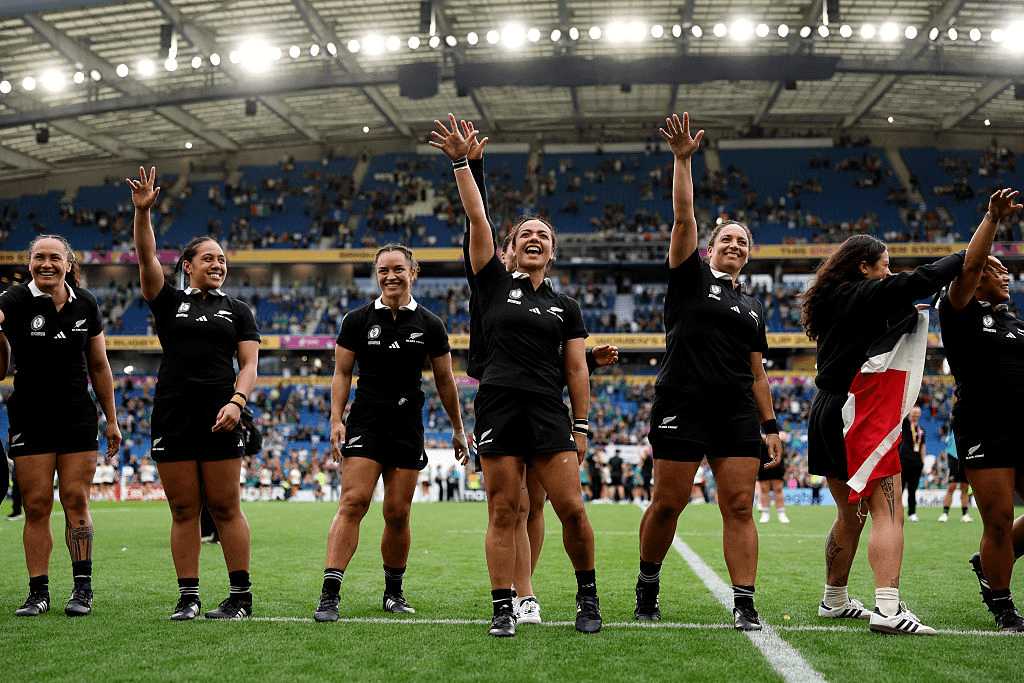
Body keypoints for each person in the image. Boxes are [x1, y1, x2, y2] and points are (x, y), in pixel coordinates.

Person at [432, 113, 602, 637]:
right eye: (525, 233)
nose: (534, 239)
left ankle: (587, 597)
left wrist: (581, 425)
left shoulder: (566, 305)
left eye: (543, 236)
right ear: (509, 249)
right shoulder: (489, 285)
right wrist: (464, 164)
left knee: (571, 509)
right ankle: (503, 606)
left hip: (549, 411)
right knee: (504, 510)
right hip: (499, 405)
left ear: (552, 251)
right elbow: (478, 217)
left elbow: (576, 367)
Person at [636, 114, 782, 632]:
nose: (736, 247)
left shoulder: (754, 306)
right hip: (682, 401)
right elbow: (682, 220)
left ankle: (744, 601)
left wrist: (771, 426)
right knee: (668, 504)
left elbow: (758, 372)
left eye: (744, 242)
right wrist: (682, 159)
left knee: (740, 504)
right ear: (711, 246)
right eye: (728, 240)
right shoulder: (689, 278)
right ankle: (647, 582)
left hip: (737, 410)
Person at [800, 229, 968, 635]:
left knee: (850, 514)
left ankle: (834, 600)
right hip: (857, 409)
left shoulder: (836, 299)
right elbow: (922, 279)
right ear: (864, 267)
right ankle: (889, 610)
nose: (890, 271)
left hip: (825, 409)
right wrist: (970, 251)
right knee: (888, 514)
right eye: (885, 265)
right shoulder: (863, 293)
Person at [128, 167, 260, 621]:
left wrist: (236, 404)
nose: (218, 265)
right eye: (209, 259)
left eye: (222, 259)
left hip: (222, 413)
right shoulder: (167, 301)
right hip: (173, 414)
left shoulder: (238, 310)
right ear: (188, 265)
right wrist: (143, 213)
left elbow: (249, 365)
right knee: (183, 509)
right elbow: (146, 258)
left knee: (225, 506)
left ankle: (240, 597)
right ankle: (189, 597)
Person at [314, 243, 469, 623]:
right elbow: (342, 373)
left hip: (407, 424)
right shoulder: (357, 319)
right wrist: (337, 419)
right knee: (353, 502)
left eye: (398, 269)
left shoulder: (431, 324)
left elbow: (446, 381)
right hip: (366, 421)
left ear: (412, 272)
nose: (390, 276)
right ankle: (329, 595)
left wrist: (458, 428)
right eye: (383, 270)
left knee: (398, 513)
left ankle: (393, 593)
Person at [2, 234, 121, 617]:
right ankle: (38, 592)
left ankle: (82, 589)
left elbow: (100, 365)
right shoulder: (15, 299)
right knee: (36, 505)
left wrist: (112, 419)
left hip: (76, 413)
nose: (47, 264)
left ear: (69, 263)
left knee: (76, 499)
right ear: (30, 262)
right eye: (39, 258)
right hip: (30, 413)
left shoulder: (86, 302)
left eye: (55, 257)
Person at [937, 187, 1024, 631]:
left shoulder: (1017, 322)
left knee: (1004, 531)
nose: (1007, 277)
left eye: (1009, 272)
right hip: (983, 426)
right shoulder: (958, 309)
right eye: (998, 270)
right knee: (998, 519)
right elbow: (969, 266)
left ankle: (992, 560)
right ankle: (1003, 606)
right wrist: (991, 221)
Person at [937, 424, 972, 523]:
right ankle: (945, 513)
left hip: (966, 456)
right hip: (954, 456)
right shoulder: (955, 422)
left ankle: (965, 514)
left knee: (965, 487)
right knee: (951, 486)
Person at [899, 406, 926, 522]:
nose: (915, 414)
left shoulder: (921, 430)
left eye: (917, 413)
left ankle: (912, 513)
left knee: (912, 489)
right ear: (909, 413)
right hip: (904, 461)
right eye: (913, 412)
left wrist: (923, 460)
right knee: (899, 489)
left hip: (916, 463)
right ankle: (894, 512)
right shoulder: (905, 425)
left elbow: (923, 445)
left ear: (920, 414)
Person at [757, 445, 790, 524]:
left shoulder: (778, 431)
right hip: (763, 458)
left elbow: (783, 436)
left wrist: (766, 438)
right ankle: (765, 513)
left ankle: (781, 513)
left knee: (778, 488)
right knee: (764, 489)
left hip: (777, 458)